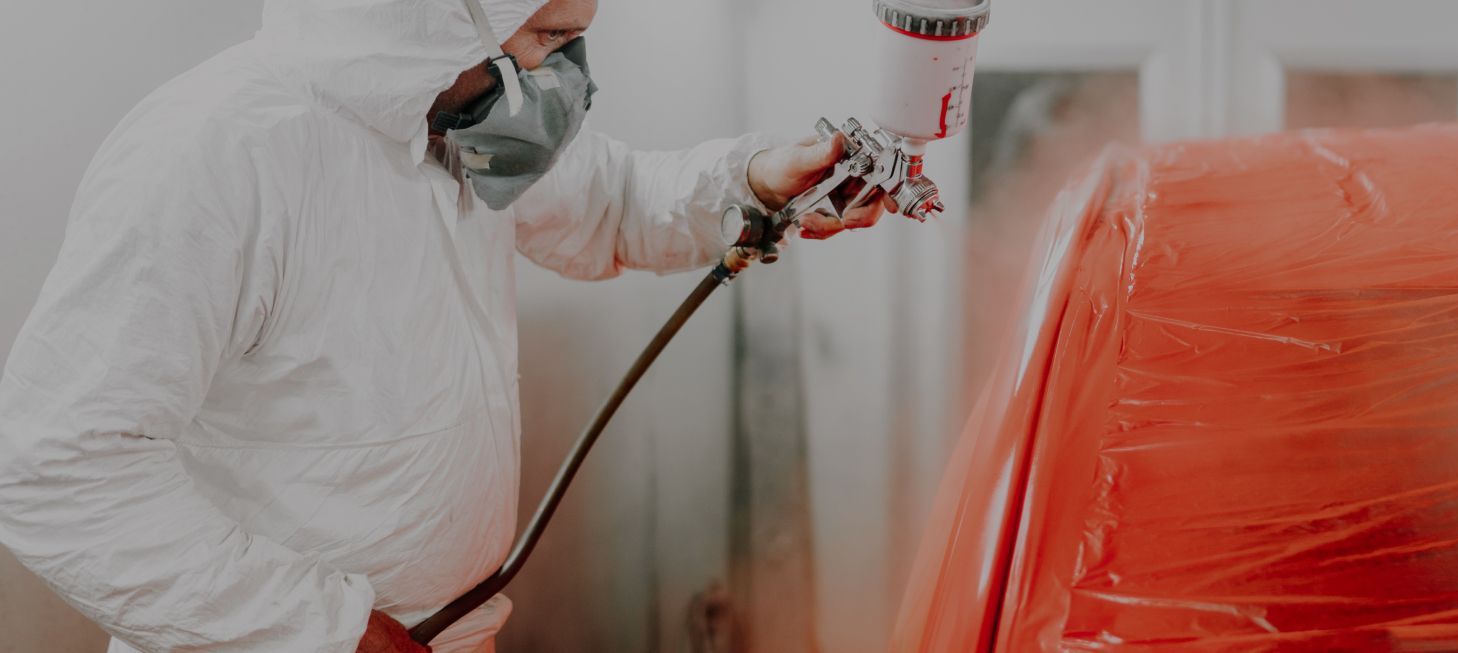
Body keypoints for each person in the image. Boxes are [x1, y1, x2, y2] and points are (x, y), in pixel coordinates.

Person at [0, 0, 885, 651]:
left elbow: (608, 203)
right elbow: (54, 464)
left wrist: (760, 181)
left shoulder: (456, 127)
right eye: (547, 41)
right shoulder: (222, 153)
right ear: (431, 21)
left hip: (441, 634)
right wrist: (327, 631)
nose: (565, 78)